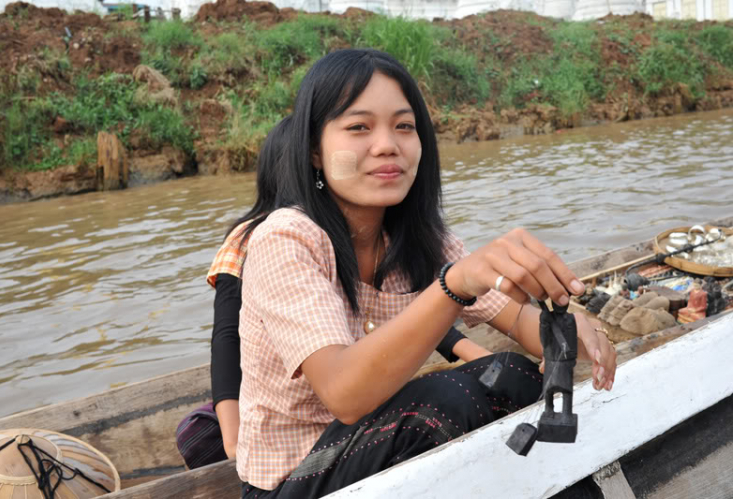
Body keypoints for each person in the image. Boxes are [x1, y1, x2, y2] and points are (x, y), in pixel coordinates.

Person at [235, 49, 616, 498]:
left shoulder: (420, 239)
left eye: (404, 126)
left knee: (514, 373)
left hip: (377, 444)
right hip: (296, 480)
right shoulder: (286, 238)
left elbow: (515, 320)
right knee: (439, 405)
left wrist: (571, 330)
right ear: (316, 151)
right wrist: (453, 284)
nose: (386, 145)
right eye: (358, 127)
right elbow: (345, 393)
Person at [176, 115, 493, 469]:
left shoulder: (351, 234)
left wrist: (481, 357)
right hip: (279, 403)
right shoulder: (264, 238)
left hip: (342, 393)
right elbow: (226, 337)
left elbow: (415, 311)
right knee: (198, 434)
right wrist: (234, 437)